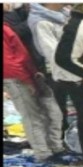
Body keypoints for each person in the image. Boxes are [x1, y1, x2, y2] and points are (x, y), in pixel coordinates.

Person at [3, 15, 64, 162]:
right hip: (18, 76)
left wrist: (32, 73)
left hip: (31, 73)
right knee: (32, 116)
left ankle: (55, 147)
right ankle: (43, 153)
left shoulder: (10, 25)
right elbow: (8, 60)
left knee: (53, 112)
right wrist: (26, 79)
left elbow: (20, 53)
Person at [27, 3, 75, 132]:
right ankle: (61, 139)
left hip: (73, 67)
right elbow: (51, 52)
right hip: (56, 69)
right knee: (59, 107)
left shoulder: (66, 14)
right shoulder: (41, 21)